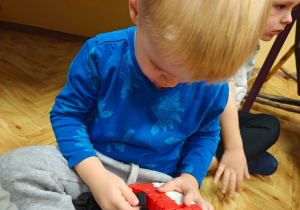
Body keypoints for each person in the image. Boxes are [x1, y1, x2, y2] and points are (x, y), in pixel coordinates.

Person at [0, 0, 272, 209]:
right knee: (14, 167)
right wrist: (96, 177)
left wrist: (191, 178)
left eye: (194, 78)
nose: (171, 84)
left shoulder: (215, 83)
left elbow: (206, 133)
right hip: (94, 163)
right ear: (136, 10)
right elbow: (67, 114)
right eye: (159, 66)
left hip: (160, 181)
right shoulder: (101, 52)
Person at [210, 0, 300, 198]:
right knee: (266, 158)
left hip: (217, 118)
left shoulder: (249, 41)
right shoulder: (223, 39)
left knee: (269, 126)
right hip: (198, 122)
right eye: (280, 7)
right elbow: (222, 93)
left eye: (293, 10)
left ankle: (229, 159)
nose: (289, 19)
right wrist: (234, 149)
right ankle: (206, 163)